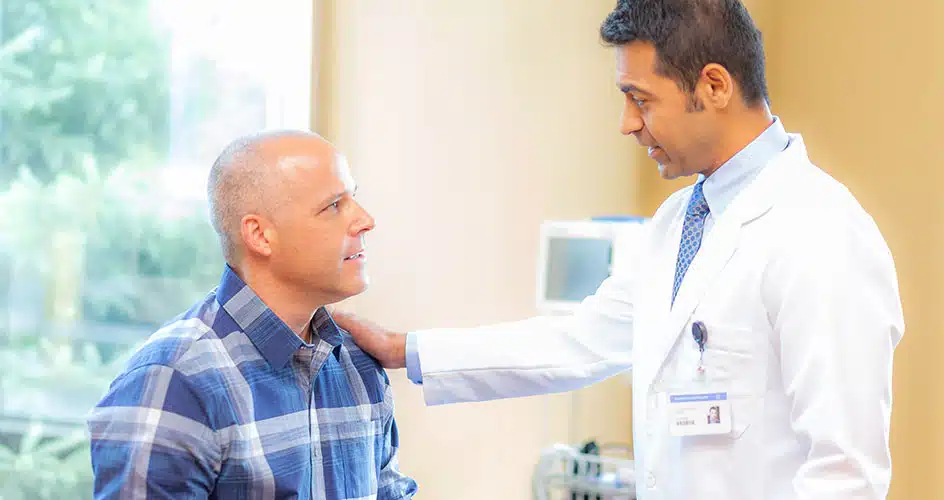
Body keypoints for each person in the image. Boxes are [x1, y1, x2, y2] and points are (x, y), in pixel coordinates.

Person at [330, 0, 905, 498]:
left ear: (714, 85)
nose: (627, 124)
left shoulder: (821, 233)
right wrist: (407, 350)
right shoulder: (679, 220)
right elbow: (580, 342)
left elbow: (844, 474)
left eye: (640, 99)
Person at [87, 130, 418, 499]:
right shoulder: (172, 381)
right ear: (260, 235)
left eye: (352, 199)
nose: (365, 220)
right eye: (333, 206)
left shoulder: (359, 364)